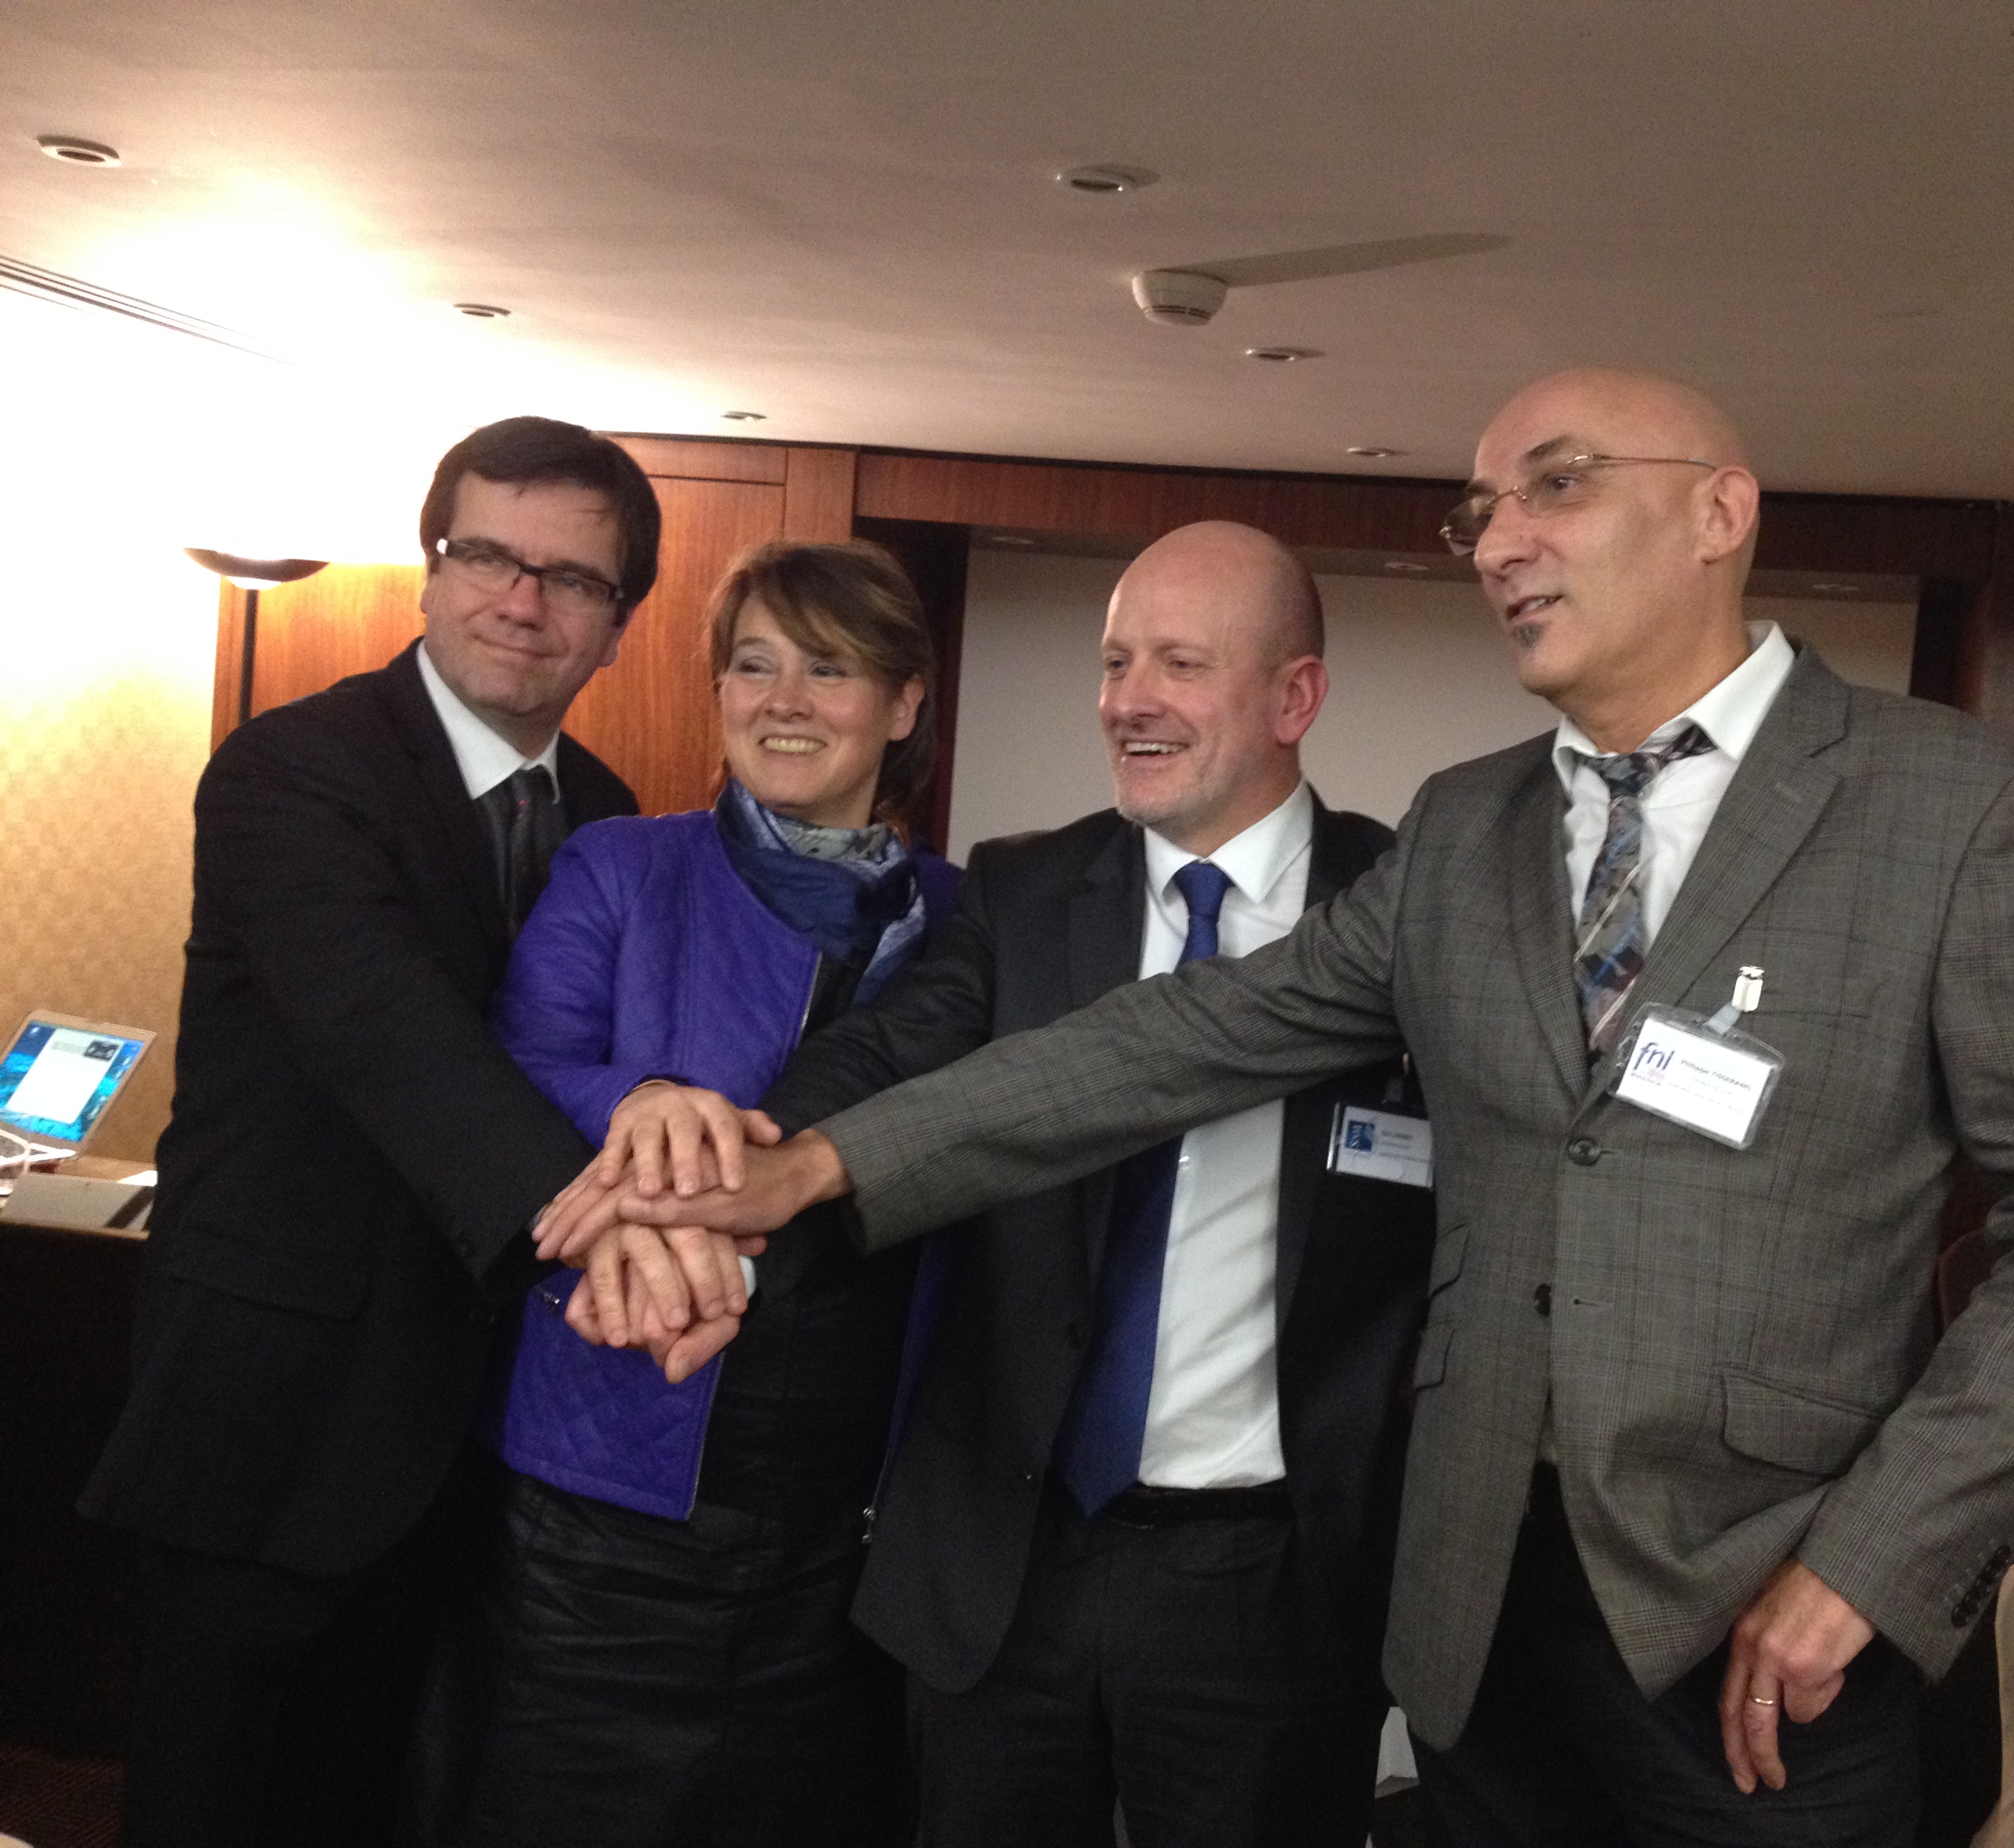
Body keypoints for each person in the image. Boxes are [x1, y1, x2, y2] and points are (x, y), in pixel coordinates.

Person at [556, 370, 2014, 1846]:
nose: (1501, 542)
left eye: (1558, 486)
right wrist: (814, 1165)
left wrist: (1872, 1562)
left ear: (1721, 514)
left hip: (1762, 1626)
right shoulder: (1468, 828)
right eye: (1481, 510)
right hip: (1477, 1618)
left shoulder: (1948, 806)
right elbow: (1179, 1040)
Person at [572, 520, 1434, 1846]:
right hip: (1002, 1559)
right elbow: (878, 1065)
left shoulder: (1405, 912)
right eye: (1115, 663)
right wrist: (710, 1198)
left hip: (1275, 1579)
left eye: (1181, 665)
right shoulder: (1022, 889)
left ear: (1294, 697)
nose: (1130, 701)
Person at [81, 416, 661, 1848]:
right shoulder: (293, 769)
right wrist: (616, 1235)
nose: (520, 601)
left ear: (620, 623)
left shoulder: (607, 820)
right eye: (487, 555)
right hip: (277, 1416)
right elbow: (389, 1034)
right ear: (431, 568)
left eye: (571, 579)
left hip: (481, 1438)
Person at [407, 540, 957, 1846]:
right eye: (752, 666)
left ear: (904, 703)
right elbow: (515, 1071)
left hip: (849, 1510)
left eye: (828, 669)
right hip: (606, 1483)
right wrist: (642, 1101)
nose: (783, 701)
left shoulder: (966, 918)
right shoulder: (622, 865)